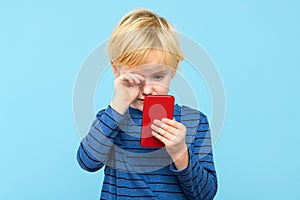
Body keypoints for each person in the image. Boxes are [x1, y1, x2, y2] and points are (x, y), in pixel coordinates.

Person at [77, 8, 218, 200]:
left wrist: (180, 152)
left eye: (158, 76)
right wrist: (118, 105)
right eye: (136, 77)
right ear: (115, 70)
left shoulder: (194, 122)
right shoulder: (110, 118)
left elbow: (205, 195)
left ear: (174, 69)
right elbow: (87, 162)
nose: (147, 89)